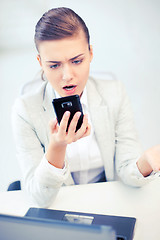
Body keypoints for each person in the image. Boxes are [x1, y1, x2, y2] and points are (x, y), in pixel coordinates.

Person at [12, 7, 160, 207]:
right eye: (54, 65)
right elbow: (40, 198)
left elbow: (127, 170)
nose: (67, 76)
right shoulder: (25, 110)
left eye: (77, 61)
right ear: (40, 63)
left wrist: (148, 161)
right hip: (59, 205)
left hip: (107, 201)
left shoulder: (114, 94)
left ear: (90, 53)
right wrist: (57, 146)